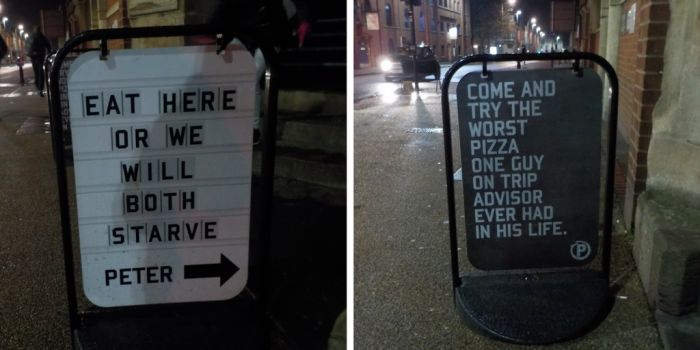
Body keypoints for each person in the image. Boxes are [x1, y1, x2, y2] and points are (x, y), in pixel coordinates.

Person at [28, 26, 52, 97]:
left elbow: (27, 46)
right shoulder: (42, 37)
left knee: (36, 72)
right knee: (40, 72)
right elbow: (48, 45)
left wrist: (30, 54)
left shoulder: (31, 36)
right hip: (40, 56)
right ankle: (40, 89)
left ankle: (37, 85)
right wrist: (49, 53)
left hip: (33, 57)